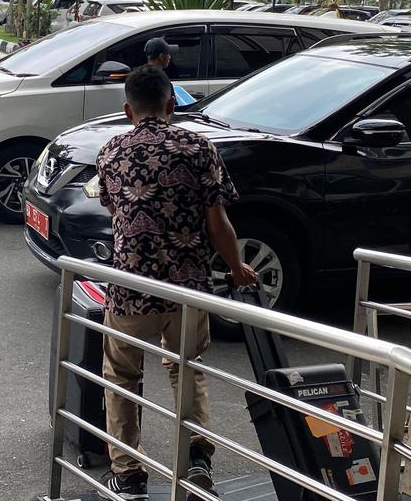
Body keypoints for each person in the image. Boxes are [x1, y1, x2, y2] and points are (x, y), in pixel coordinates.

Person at [96, 66, 257, 500]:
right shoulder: (198, 146)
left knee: (122, 377)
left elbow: (116, 213)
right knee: (186, 367)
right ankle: (197, 456)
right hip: (187, 287)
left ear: (128, 110)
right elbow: (218, 223)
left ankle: (128, 475)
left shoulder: (111, 150)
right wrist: (237, 268)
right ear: (172, 104)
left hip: (130, 289)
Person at [143, 37, 196, 106]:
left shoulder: (137, 79)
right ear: (161, 57)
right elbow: (172, 108)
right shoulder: (162, 82)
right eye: (168, 54)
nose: (170, 57)